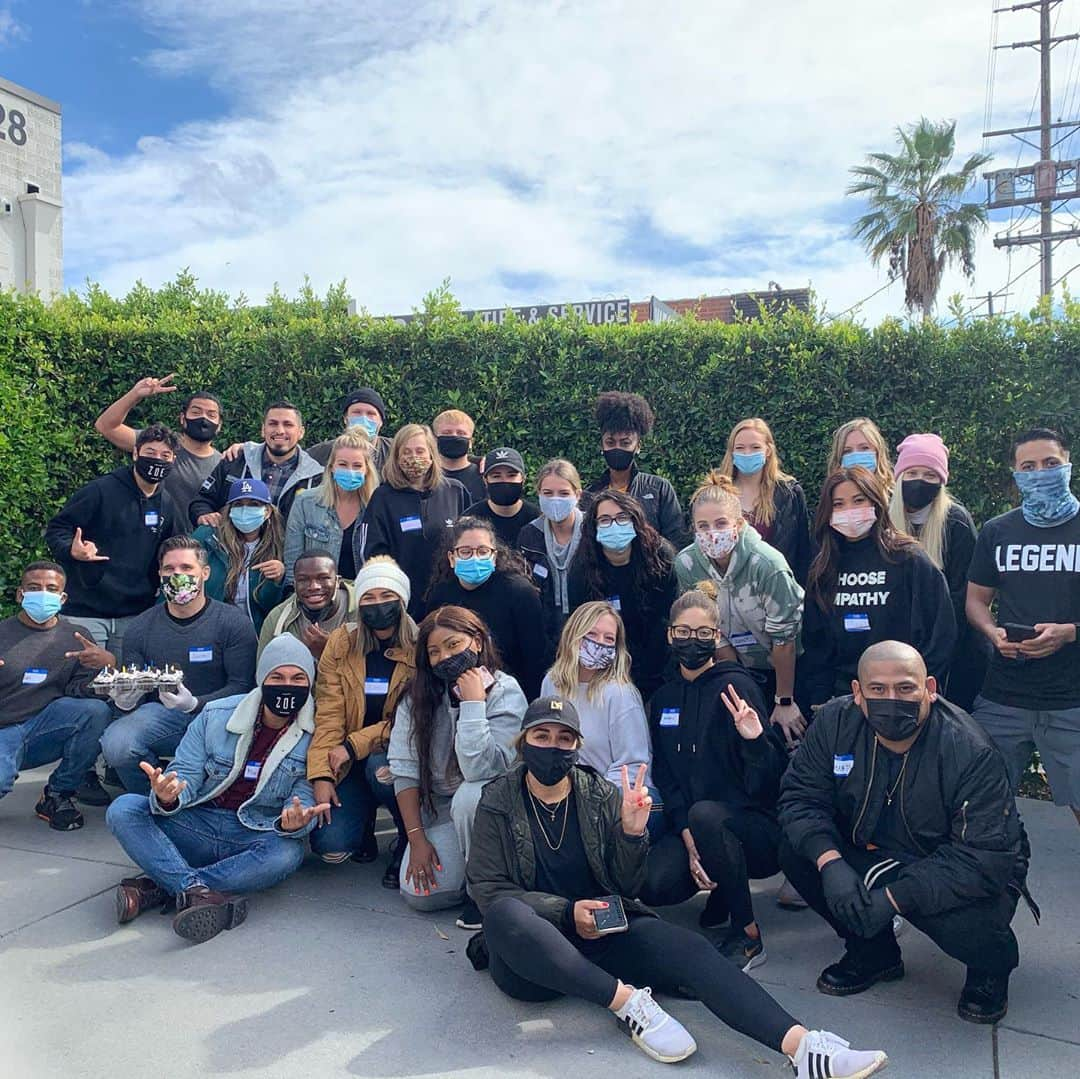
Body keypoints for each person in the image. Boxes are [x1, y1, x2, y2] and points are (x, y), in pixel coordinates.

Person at [466, 696, 888, 1078]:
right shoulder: (498, 800)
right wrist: (564, 913)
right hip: (531, 960)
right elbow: (487, 888)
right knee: (505, 914)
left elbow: (629, 884)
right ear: (523, 743)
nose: (553, 747)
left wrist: (632, 836)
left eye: (564, 738)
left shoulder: (597, 794)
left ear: (577, 747)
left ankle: (804, 1049)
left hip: (601, 932)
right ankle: (627, 1004)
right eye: (542, 735)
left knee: (691, 949)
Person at [778, 641, 1032, 1025]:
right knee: (799, 852)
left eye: (906, 688)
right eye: (877, 689)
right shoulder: (834, 723)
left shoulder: (970, 749)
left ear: (930, 688)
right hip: (875, 845)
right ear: (857, 693)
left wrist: (895, 898)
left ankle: (990, 967)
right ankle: (873, 952)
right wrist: (830, 863)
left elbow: (984, 859)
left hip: (958, 861)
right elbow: (800, 798)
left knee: (970, 926)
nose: (891, 698)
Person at [106, 636, 324, 944]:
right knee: (124, 809)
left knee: (286, 854)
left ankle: (164, 886)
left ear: (310, 682)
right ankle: (200, 893)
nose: (287, 685)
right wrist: (169, 795)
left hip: (252, 831)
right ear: (262, 680)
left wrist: (295, 822)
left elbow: (306, 795)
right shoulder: (216, 715)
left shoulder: (319, 732)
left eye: (298, 678)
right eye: (277, 677)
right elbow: (187, 771)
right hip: (199, 822)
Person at [641, 587, 786, 969]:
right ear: (670, 634)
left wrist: (755, 741)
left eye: (704, 633)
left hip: (753, 830)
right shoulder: (664, 698)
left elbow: (770, 783)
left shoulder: (736, 688)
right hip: (695, 827)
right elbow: (667, 778)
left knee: (707, 814)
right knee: (655, 884)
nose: (693, 641)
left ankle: (748, 934)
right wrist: (689, 841)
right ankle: (723, 884)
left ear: (717, 636)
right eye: (684, 632)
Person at [967, 427, 1080, 825]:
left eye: (1050, 463)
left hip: (1072, 698)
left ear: (1068, 465)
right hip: (1005, 695)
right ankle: (991, 883)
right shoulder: (998, 530)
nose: (1040, 472)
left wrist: (1070, 632)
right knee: (982, 804)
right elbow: (976, 600)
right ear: (1015, 474)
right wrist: (992, 631)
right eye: (1028, 466)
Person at [388, 605, 527, 929]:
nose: (444, 657)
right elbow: (405, 770)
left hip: (493, 810)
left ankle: (487, 889)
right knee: (419, 895)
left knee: (470, 795)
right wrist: (417, 839)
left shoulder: (505, 691)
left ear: (476, 642)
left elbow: (482, 770)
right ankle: (471, 875)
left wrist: (473, 704)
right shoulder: (418, 696)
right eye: (434, 651)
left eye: (453, 645)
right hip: (441, 810)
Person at [100, 536, 258, 794]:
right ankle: (151, 796)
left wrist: (196, 704)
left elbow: (242, 687)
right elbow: (135, 684)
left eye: (186, 568)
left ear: (205, 573)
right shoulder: (140, 627)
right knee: (117, 742)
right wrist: (125, 701)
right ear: (159, 574)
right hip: (164, 716)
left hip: (220, 718)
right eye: (169, 569)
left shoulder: (232, 622)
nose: (177, 575)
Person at [801, 467, 955, 711]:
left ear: (876, 502)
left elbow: (939, 633)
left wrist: (919, 691)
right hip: (844, 699)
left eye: (858, 500)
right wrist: (821, 699)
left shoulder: (908, 558)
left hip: (901, 697)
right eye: (839, 504)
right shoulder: (823, 567)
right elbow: (816, 643)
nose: (849, 511)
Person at [674, 471, 805, 747]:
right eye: (703, 526)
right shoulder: (686, 564)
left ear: (739, 523)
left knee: (782, 739)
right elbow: (708, 625)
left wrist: (784, 701)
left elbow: (785, 640)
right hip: (729, 662)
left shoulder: (768, 565)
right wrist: (738, 684)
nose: (713, 533)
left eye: (721, 523)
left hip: (780, 669)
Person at [308, 556, 416, 884]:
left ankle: (407, 838)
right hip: (345, 759)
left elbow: (408, 722)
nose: (377, 605)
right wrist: (322, 776)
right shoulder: (342, 642)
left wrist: (354, 745)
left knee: (380, 769)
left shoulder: (421, 645)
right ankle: (363, 822)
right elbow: (327, 712)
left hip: (395, 753)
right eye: (369, 597)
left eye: (387, 596)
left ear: (402, 600)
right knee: (330, 844)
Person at [44, 423, 181, 660]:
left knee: (127, 687)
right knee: (85, 682)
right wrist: (71, 549)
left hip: (135, 614)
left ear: (173, 460)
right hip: (86, 612)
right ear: (136, 453)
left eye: (165, 455)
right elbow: (58, 528)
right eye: (150, 453)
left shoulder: (167, 504)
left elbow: (171, 551)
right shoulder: (100, 490)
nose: (157, 460)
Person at [0, 561, 113, 830]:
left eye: (51, 589)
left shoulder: (76, 637)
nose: (43, 594)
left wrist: (105, 665)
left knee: (96, 713)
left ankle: (58, 794)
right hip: (4, 730)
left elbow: (81, 694)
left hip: (45, 728)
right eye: (34, 588)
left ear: (62, 597)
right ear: (20, 594)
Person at [888, 433, 987, 711]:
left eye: (930, 475)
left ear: (942, 481)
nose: (920, 481)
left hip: (954, 654)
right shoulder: (883, 520)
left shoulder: (956, 522)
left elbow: (961, 596)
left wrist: (931, 657)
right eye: (913, 472)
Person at [540, 602, 654, 817]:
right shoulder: (551, 683)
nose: (599, 643)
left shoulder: (621, 694)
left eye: (609, 639)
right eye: (591, 634)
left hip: (611, 803)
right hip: (558, 795)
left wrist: (587, 800)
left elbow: (631, 766)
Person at [567, 490, 678, 698]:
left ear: (635, 521)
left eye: (622, 518)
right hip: (603, 664)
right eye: (605, 520)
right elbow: (579, 626)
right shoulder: (583, 568)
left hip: (658, 660)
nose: (615, 525)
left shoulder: (661, 557)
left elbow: (668, 618)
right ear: (594, 527)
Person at [426, 517, 547, 699]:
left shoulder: (519, 593)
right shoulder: (441, 594)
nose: (475, 558)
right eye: (465, 551)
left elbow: (535, 660)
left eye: (483, 551)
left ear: (494, 556)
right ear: (452, 558)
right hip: (452, 691)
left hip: (509, 694)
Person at [359, 423, 469, 618]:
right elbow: (372, 553)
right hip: (403, 601)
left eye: (420, 451)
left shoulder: (455, 491)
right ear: (397, 457)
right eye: (406, 452)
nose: (413, 458)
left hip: (450, 599)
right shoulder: (383, 497)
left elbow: (470, 538)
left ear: (432, 456)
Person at [94, 376, 223, 521]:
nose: (203, 418)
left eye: (211, 415)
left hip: (191, 542)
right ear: (182, 418)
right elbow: (106, 426)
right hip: (146, 536)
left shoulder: (223, 464)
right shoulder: (158, 444)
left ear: (219, 425)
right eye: (196, 412)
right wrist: (135, 395)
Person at [188, 400, 322, 527]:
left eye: (288, 424)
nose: (280, 430)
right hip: (231, 549)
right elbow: (202, 501)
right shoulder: (236, 460)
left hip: (288, 551)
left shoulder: (316, 477)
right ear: (263, 430)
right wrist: (203, 514)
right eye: (273, 423)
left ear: (301, 432)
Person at [717, 417, 813, 584]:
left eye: (755, 447)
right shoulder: (716, 493)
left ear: (768, 450)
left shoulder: (789, 494)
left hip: (777, 590)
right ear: (731, 452)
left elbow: (803, 553)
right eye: (740, 448)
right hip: (727, 590)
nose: (747, 453)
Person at [584, 391, 684, 546]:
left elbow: (677, 540)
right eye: (610, 442)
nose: (617, 448)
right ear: (602, 445)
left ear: (638, 446)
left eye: (625, 443)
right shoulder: (590, 495)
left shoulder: (659, 489)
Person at [192, 479, 286, 636]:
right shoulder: (208, 537)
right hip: (208, 630)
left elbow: (270, 608)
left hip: (254, 634)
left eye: (254, 504)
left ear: (267, 511)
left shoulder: (278, 546)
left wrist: (276, 581)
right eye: (238, 504)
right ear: (229, 510)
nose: (245, 510)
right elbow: (181, 574)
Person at [284, 429, 377, 583]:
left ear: (367, 470)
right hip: (316, 594)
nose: (350, 471)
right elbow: (292, 561)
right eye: (343, 464)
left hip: (362, 595)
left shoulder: (376, 507)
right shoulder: (305, 502)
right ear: (332, 466)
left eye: (357, 466)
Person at [517, 459, 585, 647]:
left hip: (587, 631)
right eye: (548, 493)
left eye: (564, 493)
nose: (555, 499)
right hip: (544, 634)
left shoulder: (593, 531)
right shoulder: (529, 535)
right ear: (538, 494)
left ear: (577, 495)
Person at [258, 551, 358, 662]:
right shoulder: (278, 620)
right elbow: (264, 674)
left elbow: (369, 672)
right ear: (294, 584)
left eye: (323, 578)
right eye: (303, 580)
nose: (314, 586)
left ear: (337, 581)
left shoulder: (362, 612)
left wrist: (330, 651)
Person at [465, 447, 541, 548]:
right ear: (485, 480)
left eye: (511, 475)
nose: (504, 481)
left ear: (523, 479)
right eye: (496, 476)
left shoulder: (537, 520)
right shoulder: (470, 519)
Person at [308, 387, 392, 471]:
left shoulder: (394, 451)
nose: (363, 418)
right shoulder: (321, 453)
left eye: (371, 413)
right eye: (357, 412)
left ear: (381, 421)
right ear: (345, 418)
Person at [827, 418, 895, 499]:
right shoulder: (830, 500)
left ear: (878, 451)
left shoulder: (896, 499)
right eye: (847, 451)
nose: (856, 455)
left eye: (864, 448)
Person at [432, 408, 486, 503]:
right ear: (434, 440)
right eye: (447, 433)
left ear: (471, 442)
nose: (454, 436)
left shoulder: (484, 475)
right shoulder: (426, 475)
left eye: (461, 433)